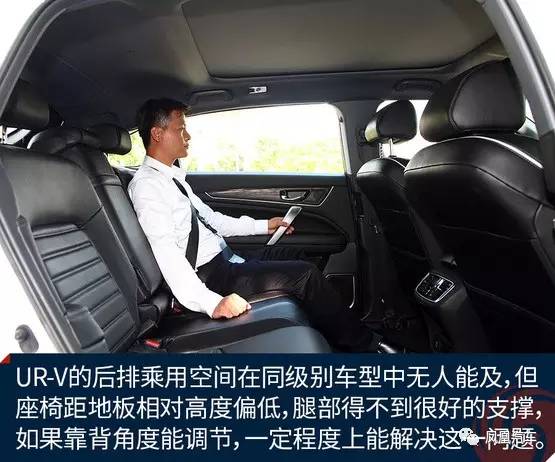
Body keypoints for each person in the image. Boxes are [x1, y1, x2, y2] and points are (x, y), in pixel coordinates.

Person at [128, 98, 396, 352]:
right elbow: (166, 252)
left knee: (296, 255)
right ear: (157, 134)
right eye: (180, 129)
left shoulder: (171, 180)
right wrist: (212, 302)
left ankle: (329, 332)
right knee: (305, 275)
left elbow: (214, 221)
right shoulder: (147, 187)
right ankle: (368, 346)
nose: (188, 136)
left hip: (225, 260)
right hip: (211, 276)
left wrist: (265, 225)